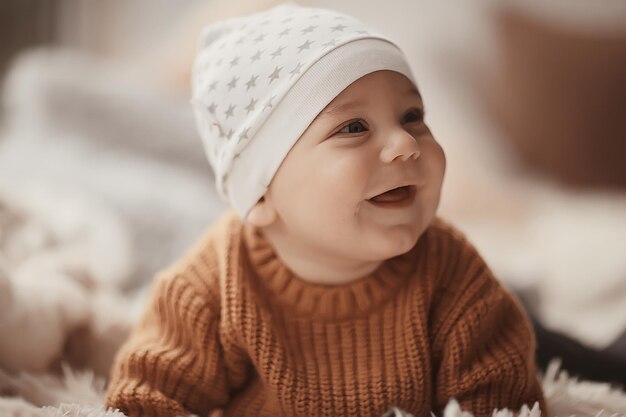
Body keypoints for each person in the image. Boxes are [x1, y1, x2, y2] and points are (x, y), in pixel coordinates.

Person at [105, 4, 546, 416]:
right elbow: (148, 396)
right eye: (354, 127)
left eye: (412, 116)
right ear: (260, 197)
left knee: (538, 329)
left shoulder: (453, 275)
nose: (405, 144)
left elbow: (501, 398)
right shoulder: (212, 287)